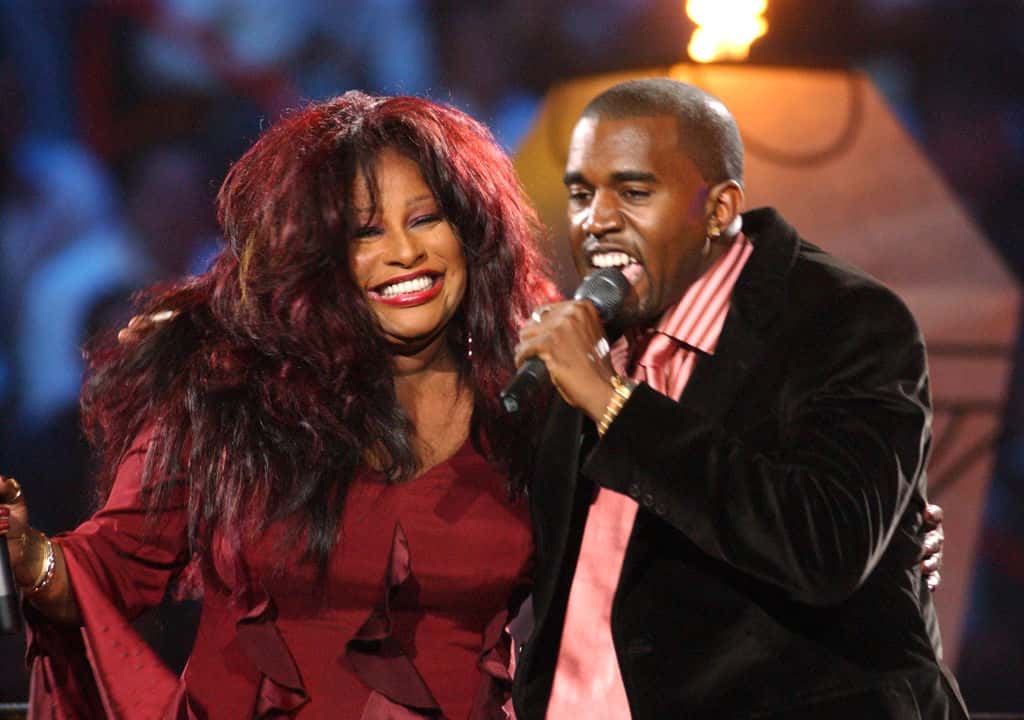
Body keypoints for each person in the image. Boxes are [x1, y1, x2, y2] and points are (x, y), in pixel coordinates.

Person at [0, 90, 554, 718]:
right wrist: (31, 561)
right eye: (365, 231)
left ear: (474, 230)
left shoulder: (532, 402)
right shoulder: (226, 400)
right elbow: (113, 565)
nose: (406, 252)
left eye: (426, 219)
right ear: (314, 258)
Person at [509, 78, 967, 719]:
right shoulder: (584, 337)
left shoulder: (844, 319)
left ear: (720, 209)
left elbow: (824, 545)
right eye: (581, 194)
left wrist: (616, 406)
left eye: (634, 191)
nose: (596, 219)